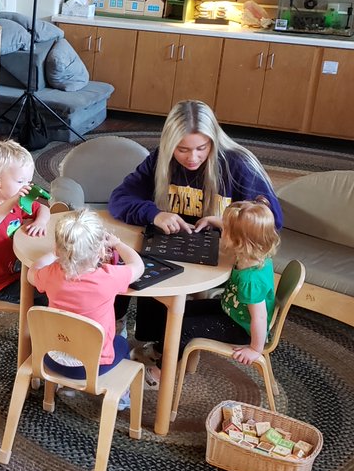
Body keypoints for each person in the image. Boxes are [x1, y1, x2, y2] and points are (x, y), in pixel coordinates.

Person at [107, 99, 282, 348]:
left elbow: (271, 220)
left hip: (222, 259)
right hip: (172, 246)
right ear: (169, 145)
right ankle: (121, 326)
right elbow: (119, 199)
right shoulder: (160, 159)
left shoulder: (237, 164)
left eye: (202, 148)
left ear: (214, 140)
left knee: (155, 281)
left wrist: (227, 222)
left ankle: (161, 345)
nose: (193, 158)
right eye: (182, 150)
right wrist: (154, 214)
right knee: (121, 259)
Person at [136, 198, 280, 381]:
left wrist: (254, 349)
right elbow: (235, 228)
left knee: (184, 327)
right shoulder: (254, 253)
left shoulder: (250, 280)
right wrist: (213, 220)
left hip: (241, 327)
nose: (223, 231)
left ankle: (160, 374)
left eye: (226, 230)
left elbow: (259, 317)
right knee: (179, 312)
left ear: (239, 241)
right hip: (230, 309)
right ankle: (162, 349)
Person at [28, 209, 145, 408]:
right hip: (91, 367)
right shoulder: (108, 278)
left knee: (75, 334)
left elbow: (32, 272)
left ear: (58, 249)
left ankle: (57, 390)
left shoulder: (51, 274)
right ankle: (122, 398)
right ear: (101, 251)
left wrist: (53, 254)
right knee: (123, 344)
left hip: (51, 359)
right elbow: (138, 265)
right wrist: (117, 243)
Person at [0, 139, 50, 304]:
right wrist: (15, 199)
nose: (26, 187)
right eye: (20, 182)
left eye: (28, 182)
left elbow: (43, 209)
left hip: (21, 271)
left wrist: (41, 222)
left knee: (55, 278)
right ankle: (40, 328)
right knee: (50, 292)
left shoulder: (16, 202)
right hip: (1, 285)